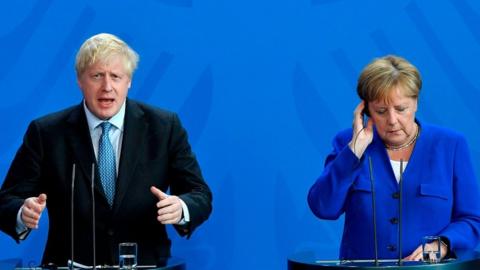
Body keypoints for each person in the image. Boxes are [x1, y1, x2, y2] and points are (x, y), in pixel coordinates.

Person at [0, 33, 212, 267]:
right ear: (80, 80)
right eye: (97, 76)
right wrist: (23, 212)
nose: (107, 87)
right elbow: (7, 200)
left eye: (116, 76)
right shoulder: (46, 133)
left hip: (145, 264)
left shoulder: (164, 127)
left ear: (129, 80)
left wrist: (180, 208)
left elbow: (199, 194)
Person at [307, 55, 480, 261]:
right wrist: (354, 152)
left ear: (415, 103)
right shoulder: (347, 143)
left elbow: (472, 220)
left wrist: (442, 244)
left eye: (401, 109)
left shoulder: (451, 145)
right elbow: (323, 207)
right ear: (365, 110)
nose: (392, 120)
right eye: (380, 111)